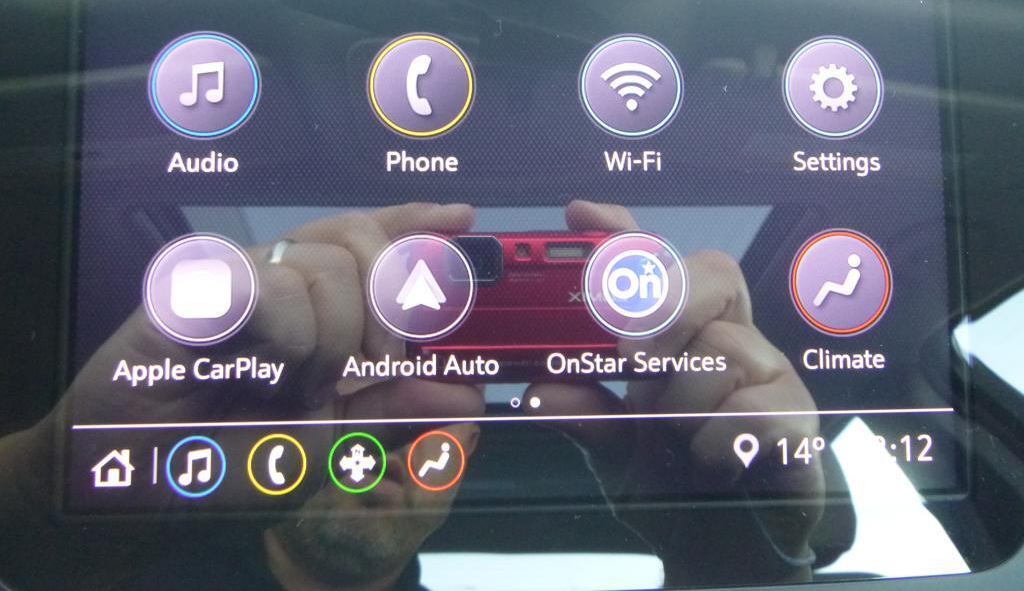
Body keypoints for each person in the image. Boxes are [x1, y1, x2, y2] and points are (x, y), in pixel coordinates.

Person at [0, 201, 830, 590]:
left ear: (466, 470)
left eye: (432, 432)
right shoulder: (124, 566)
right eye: (382, 400)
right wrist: (46, 498)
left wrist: (736, 572)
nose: (386, 449)